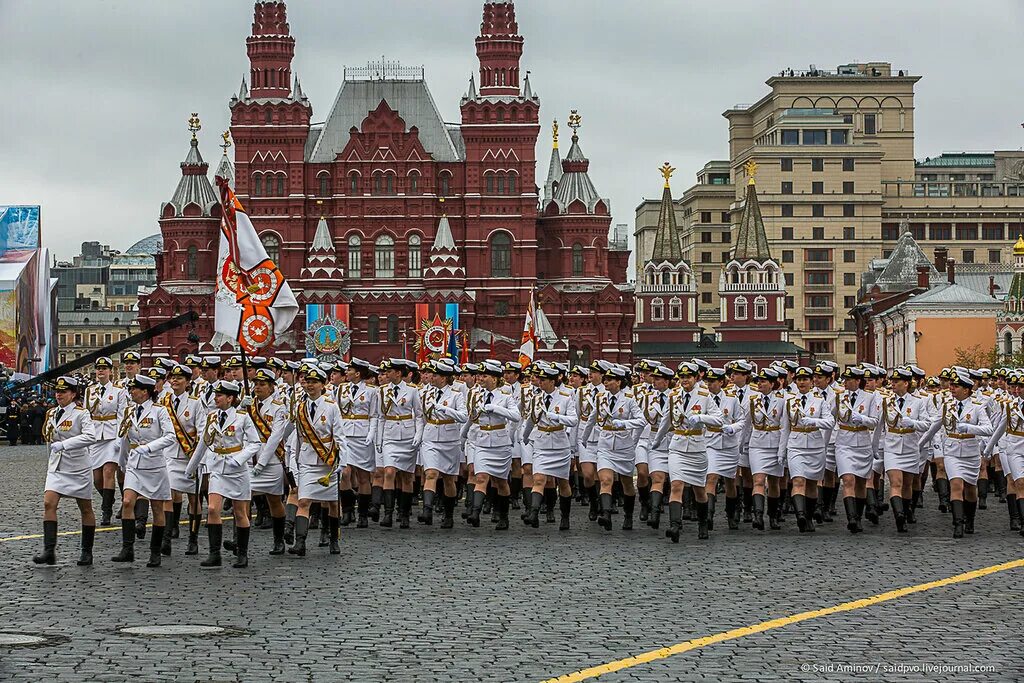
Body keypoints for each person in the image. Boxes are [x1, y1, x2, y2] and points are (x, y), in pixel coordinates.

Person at [185, 380, 259, 568]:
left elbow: (255, 443)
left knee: (240, 512)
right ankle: (214, 553)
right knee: (212, 509)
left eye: (219, 395)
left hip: (236, 469)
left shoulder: (242, 417)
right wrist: (191, 468)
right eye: (215, 395)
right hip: (217, 467)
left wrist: (239, 458)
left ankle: (242, 553)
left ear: (230, 398)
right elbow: (203, 443)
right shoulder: (211, 417)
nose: (216, 398)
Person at [652, 362, 723, 541]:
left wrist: (700, 417)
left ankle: (703, 523)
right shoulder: (673, 395)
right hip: (677, 446)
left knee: (699, 490)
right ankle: (675, 526)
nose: (684, 380)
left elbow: (719, 419)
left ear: (696, 378)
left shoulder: (705, 395)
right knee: (676, 485)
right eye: (682, 377)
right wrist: (657, 441)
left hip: (697, 447)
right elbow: (666, 420)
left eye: (688, 377)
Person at [113, 374, 177, 567]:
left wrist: (149, 447)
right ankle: (127, 548)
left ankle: (155, 551)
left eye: (135, 389)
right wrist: (122, 463)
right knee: (127, 502)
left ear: (145, 392)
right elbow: (125, 438)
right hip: (134, 464)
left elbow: (170, 437)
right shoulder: (129, 411)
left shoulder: (160, 411)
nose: (131, 392)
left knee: (157, 508)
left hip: (154, 465)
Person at [33, 377, 98, 566]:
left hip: (78, 467)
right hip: (57, 467)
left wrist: (65, 445)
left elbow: (90, 436)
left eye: (63, 392)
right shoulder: (52, 412)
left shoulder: (81, 413)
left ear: (73, 394)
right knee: (48, 503)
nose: (58, 395)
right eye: (57, 391)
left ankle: (87, 551)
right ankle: (49, 550)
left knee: (85, 507)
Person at [581, 365, 646, 531]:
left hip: (624, 446)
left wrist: (625, 424)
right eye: (605, 379)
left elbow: (641, 421)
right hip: (605, 444)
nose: (606, 382)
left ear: (618, 382)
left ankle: (629, 515)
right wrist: (584, 439)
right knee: (605, 480)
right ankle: (606, 514)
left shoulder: (630, 399)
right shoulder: (601, 397)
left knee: (627, 484)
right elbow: (591, 419)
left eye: (609, 380)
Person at [290, 366, 345, 555]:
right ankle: (300, 542)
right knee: (304, 501)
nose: (310, 385)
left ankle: (332, 539)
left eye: (315, 382)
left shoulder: (331, 406)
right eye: (308, 381)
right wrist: (293, 460)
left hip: (327, 460)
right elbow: (297, 437)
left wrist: (342, 461)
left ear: (323, 385)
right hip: (307, 460)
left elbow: (339, 436)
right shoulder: (300, 407)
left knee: (332, 503)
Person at [463, 359, 520, 529]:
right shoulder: (476, 395)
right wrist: (463, 437)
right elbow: (470, 419)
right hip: (481, 441)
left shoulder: (505, 397)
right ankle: (475, 512)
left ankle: (503, 516)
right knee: (481, 477)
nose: (480, 378)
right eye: (480, 375)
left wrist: (495, 408)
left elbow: (515, 416)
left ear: (494, 379)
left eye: (484, 375)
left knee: (501, 482)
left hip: (500, 444)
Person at [522, 363, 579, 529]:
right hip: (541, 443)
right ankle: (533, 513)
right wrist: (525, 437)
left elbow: (573, 420)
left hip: (560, 444)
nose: (540, 382)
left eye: (544, 379)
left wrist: (555, 416)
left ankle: (565, 516)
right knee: (538, 478)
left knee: (563, 483)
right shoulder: (536, 398)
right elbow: (531, 419)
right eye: (540, 379)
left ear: (553, 381)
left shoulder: (565, 397)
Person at [778, 366, 834, 533]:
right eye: (799, 379)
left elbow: (830, 422)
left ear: (811, 382)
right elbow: (784, 428)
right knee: (798, 480)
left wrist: (813, 421)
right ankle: (800, 515)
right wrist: (782, 452)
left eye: (806, 379)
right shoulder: (789, 401)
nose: (802, 382)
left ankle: (809, 517)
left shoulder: (820, 401)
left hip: (815, 446)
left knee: (811, 484)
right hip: (796, 445)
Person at [159, 364, 204, 556]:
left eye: (179, 378)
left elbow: (202, 430)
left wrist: (197, 456)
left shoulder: (195, 403)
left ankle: (193, 539)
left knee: (193, 498)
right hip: (170, 454)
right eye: (173, 378)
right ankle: (166, 538)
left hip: (189, 455)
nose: (175, 381)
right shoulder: (163, 401)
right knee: (168, 495)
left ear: (187, 382)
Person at [418, 358, 468, 528]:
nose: (431, 377)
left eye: (435, 375)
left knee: (448, 479)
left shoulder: (456, 395)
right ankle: (427, 510)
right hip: (431, 436)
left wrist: (446, 409)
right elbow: (420, 415)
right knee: (431, 473)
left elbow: (463, 416)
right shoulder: (425, 393)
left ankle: (448, 514)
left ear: (444, 377)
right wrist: (420, 434)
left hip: (449, 439)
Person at [375, 359, 424, 529]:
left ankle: (404, 513)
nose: (386, 374)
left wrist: (418, 434)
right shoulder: (382, 391)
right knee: (389, 472)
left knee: (407, 476)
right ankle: (388, 513)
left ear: (398, 373)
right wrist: (379, 439)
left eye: (389, 371)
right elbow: (380, 416)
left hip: (407, 436)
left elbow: (419, 415)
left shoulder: (412, 390)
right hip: (390, 436)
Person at [249, 367, 292, 554]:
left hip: (271, 459)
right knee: (241, 500)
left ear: (271, 387)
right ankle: (238, 541)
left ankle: (278, 540)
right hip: (250, 457)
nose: (258, 387)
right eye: (256, 384)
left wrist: (262, 462)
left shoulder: (279, 407)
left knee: (274, 501)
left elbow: (276, 437)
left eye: (262, 384)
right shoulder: (248, 405)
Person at [338, 359, 380, 528]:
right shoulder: (341, 389)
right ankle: (347, 511)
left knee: (363, 476)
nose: (346, 373)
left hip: (363, 435)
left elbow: (374, 414)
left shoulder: (371, 391)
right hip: (346, 433)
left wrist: (371, 433)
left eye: (349, 370)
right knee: (345, 473)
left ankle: (362, 514)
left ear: (358, 373)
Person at [86, 356, 126, 526]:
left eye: (104, 368)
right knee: (97, 479)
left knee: (109, 472)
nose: (100, 371)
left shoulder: (119, 391)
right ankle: (109, 499)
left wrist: (119, 437)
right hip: (96, 436)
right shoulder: (90, 390)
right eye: (98, 368)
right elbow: (86, 415)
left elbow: (122, 415)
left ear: (111, 371)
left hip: (111, 435)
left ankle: (106, 512)